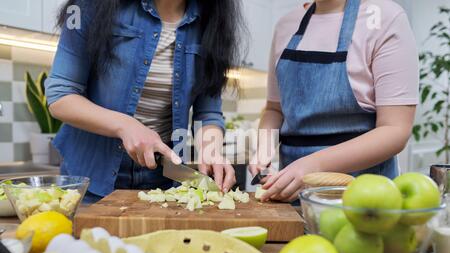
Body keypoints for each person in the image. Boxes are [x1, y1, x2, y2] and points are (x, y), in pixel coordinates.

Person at [46, 0, 244, 203]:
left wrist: (211, 151)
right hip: (90, 175)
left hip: (162, 178)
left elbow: (208, 113)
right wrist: (125, 125)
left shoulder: (212, 22)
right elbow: (60, 96)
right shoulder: (88, 7)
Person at [249, 0, 419, 202]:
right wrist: (264, 149)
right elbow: (274, 110)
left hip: (364, 198)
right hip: (291, 196)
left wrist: (313, 167)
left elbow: (395, 130)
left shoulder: (386, 18)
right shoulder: (286, 25)